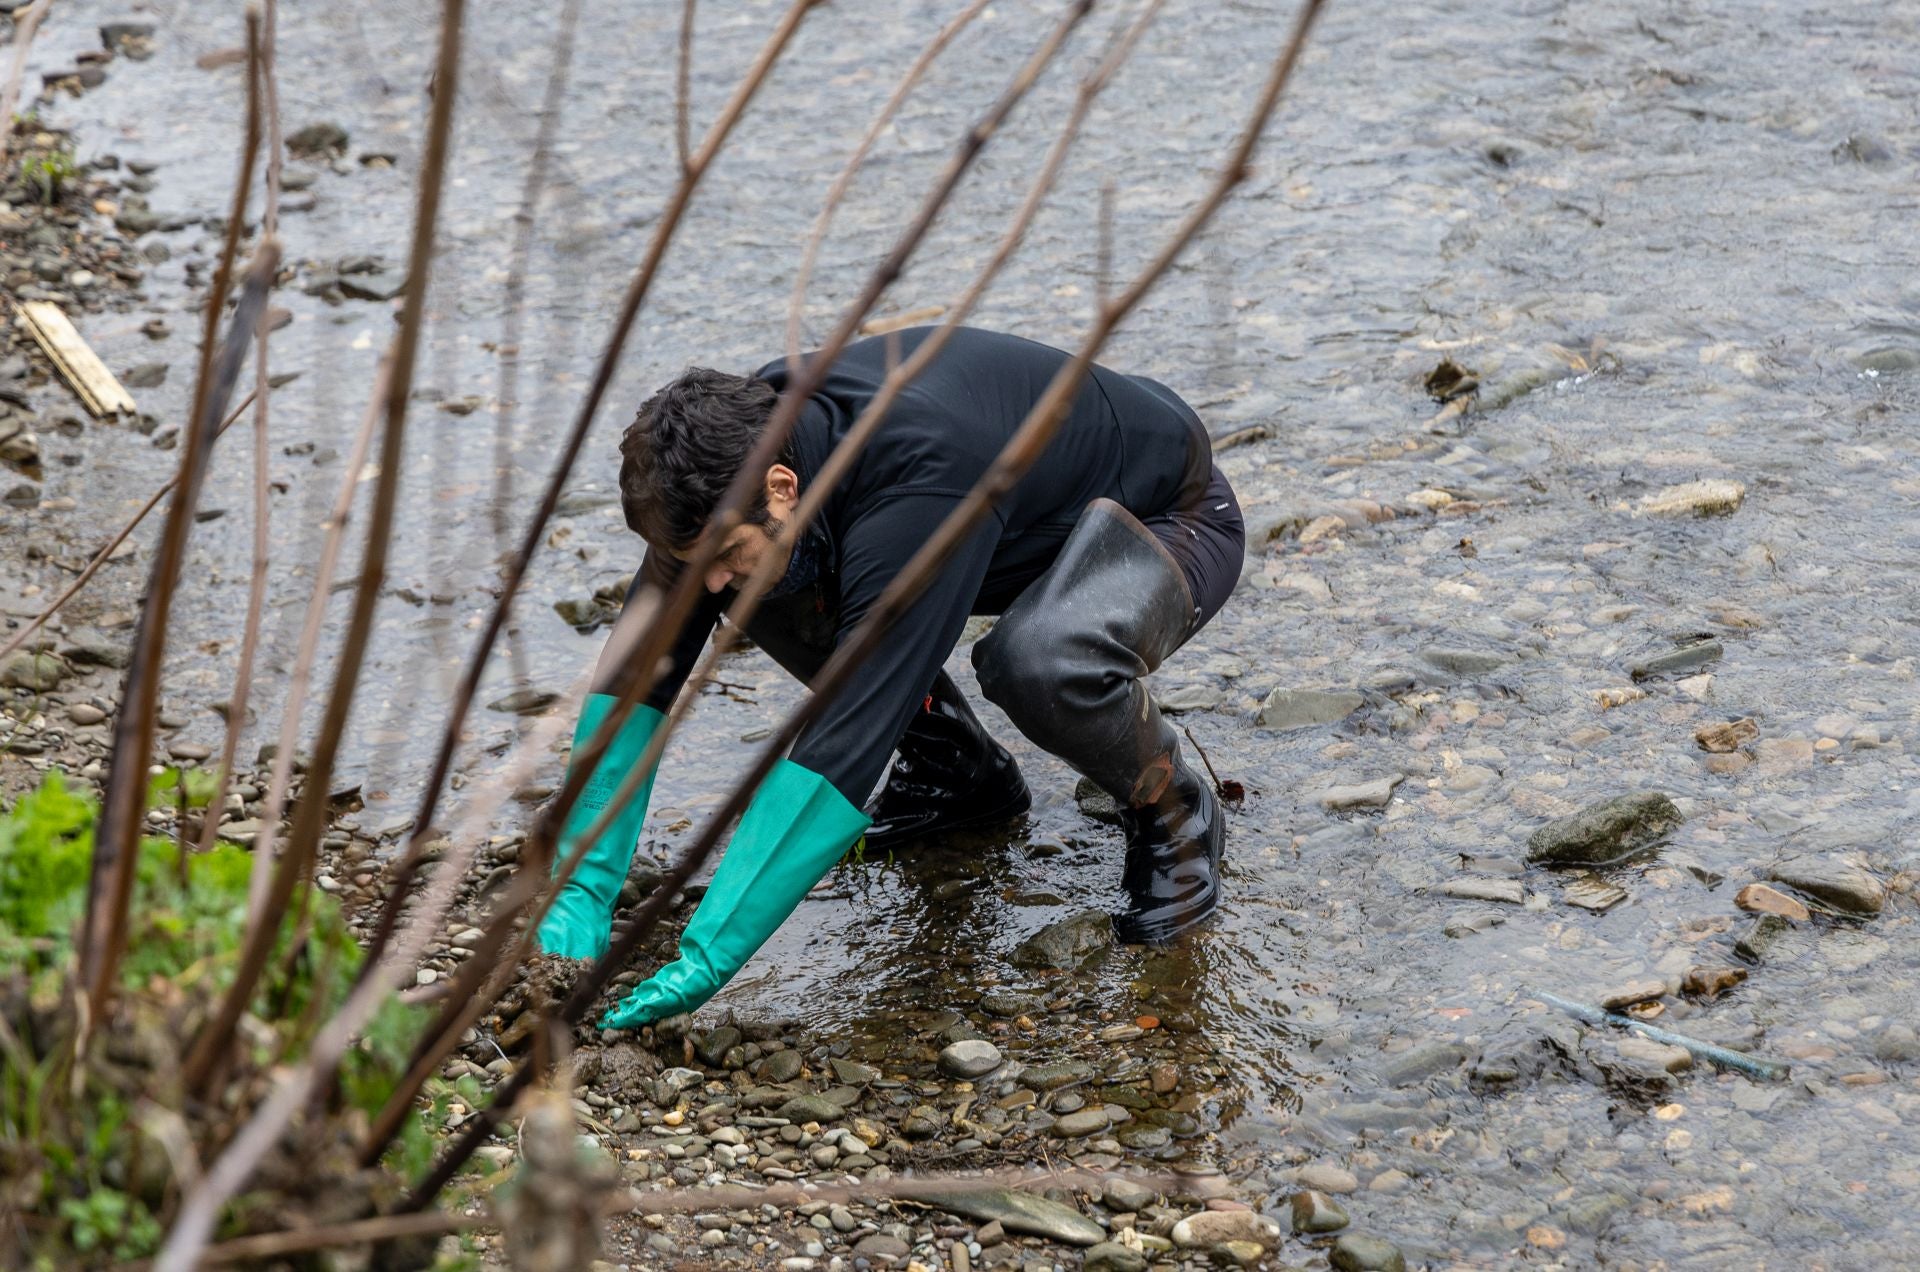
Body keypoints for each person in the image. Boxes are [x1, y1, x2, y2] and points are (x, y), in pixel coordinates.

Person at [536, 326, 1245, 1029]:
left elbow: (852, 724)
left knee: (1036, 662)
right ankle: (961, 774)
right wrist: (579, 895)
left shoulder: (918, 471)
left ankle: (1176, 814)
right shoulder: (732, 461)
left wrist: (709, 955)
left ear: (781, 487)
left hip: (1165, 516)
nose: (709, 580)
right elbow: (639, 675)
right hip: (1010, 525)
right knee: (757, 576)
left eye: (722, 550)